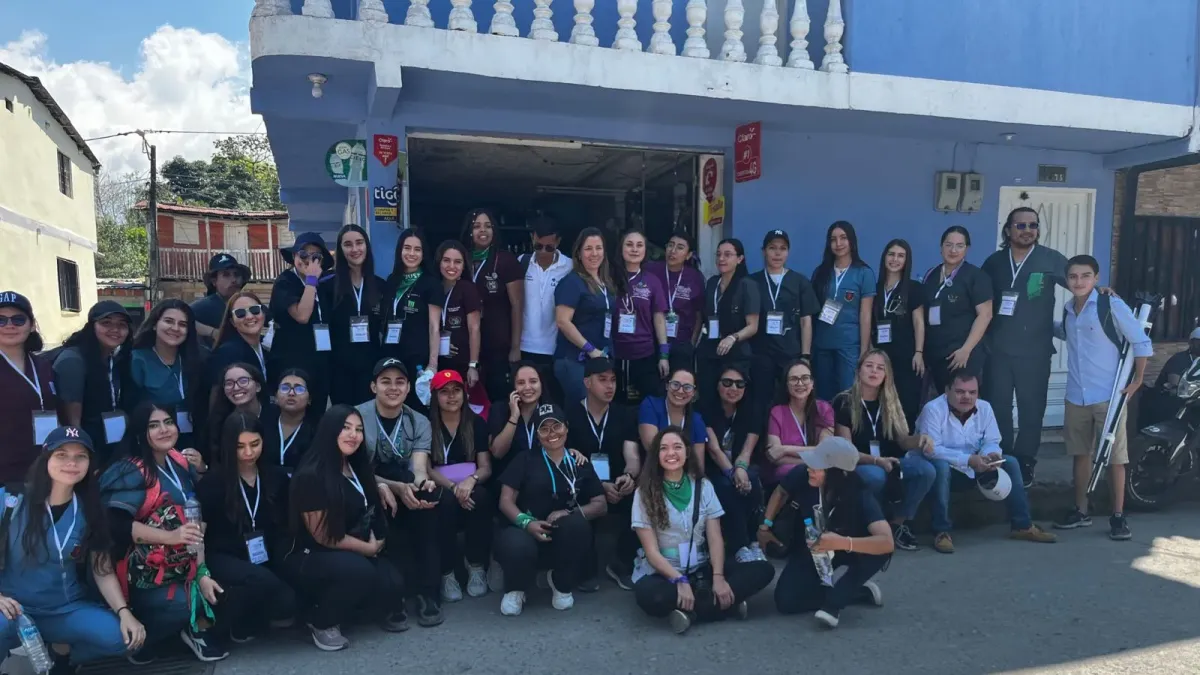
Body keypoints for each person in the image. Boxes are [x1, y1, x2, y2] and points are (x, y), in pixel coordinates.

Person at [0, 426, 146, 673]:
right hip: (12, 607)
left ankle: (61, 651)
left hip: (63, 609)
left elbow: (103, 569)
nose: (71, 463)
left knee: (125, 639)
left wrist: (124, 612)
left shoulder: (89, 509)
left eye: (81, 456)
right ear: (46, 458)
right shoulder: (10, 500)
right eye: (61, 455)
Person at [100, 402, 226, 663]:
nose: (164, 430)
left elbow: (196, 518)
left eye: (168, 422)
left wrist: (201, 571)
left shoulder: (179, 461)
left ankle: (186, 629)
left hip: (185, 559)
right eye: (153, 425)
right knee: (187, 604)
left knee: (220, 594)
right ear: (139, 432)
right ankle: (144, 638)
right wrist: (170, 537)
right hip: (145, 570)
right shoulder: (130, 470)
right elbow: (116, 525)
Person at [281, 406, 407, 651]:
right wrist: (368, 549)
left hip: (351, 546)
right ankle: (321, 622)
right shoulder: (311, 475)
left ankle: (344, 606)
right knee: (360, 573)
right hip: (312, 553)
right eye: (346, 428)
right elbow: (323, 536)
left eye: (359, 429)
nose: (354, 435)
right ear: (330, 431)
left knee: (393, 585)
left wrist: (380, 487)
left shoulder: (355, 465)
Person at [631, 426, 774, 634]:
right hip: (664, 572)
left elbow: (715, 537)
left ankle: (691, 612)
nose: (671, 453)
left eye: (677, 447)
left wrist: (718, 577)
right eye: (664, 448)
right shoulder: (644, 492)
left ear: (687, 452)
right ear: (656, 455)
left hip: (701, 568)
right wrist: (678, 580)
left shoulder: (703, 486)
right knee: (650, 596)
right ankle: (724, 606)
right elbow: (651, 552)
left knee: (763, 569)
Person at [1052, 255, 1152, 541]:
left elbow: (1140, 341)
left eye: (1085, 276)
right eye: (1073, 277)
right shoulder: (1069, 309)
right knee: (1080, 455)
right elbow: (1066, 335)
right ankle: (1080, 511)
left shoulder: (1111, 305)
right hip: (1076, 394)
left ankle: (1118, 516)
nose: (1079, 281)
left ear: (1096, 278)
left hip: (1109, 394)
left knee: (1114, 458)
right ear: (1067, 280)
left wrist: (1137, 381)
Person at [914, 370, 1057, 553]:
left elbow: (992, 441)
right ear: (947, 390)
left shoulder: (985, 408)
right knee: (940, 467)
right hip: (945, 470)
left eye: (972, 392)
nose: (966, 397)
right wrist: (968, 460)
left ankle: (1022, 526)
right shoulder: (933, 410)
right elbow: (931, 450)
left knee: (1011, 462)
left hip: (976, 467)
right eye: (960, 391)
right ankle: (941, 531)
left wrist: (991, 455)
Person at [981, 207, 1072, 484]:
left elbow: (1079, 283)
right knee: (998, 408)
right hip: (998, 350)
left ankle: (1026, 461)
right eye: (1020, 226)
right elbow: (980, 302)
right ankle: (1004, 457)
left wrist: (1099, 291)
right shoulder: (994, 262)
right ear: (1008, 230)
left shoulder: (1050, 259)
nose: (1027, 230)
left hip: (1035, 351)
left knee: (1032, 409)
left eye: (1032, 225)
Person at [353, 358, 442, 627]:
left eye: (400, 382)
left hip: (403, 483)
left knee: (426, 505)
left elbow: (418, 467)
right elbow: (354, 470)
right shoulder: (356, 418)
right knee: (387, 512)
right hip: (366, 486)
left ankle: (428, 593)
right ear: (373, 386)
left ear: (408, 388)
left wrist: (419, 487)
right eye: (385, 382)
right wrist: (390, 487)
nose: (393, 388)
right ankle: (394, 596)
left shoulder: (419, 421)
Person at [495, 403, 607, 616]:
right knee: (515, 543)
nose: (551, 434)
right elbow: (505, 500)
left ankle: (559, 581)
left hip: (560, 536)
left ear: (566, 427)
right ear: (537, 435)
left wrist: (570, 513)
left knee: (578, 526)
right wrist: (527, 523)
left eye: (556, 426)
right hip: (524, 530)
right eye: (544, 429)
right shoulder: (524, 459)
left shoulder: (578, 461)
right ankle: (516, 587)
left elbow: (600, 504)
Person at [767, 437, 891, 629]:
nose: (809, 468)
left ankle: (835, 602)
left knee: (880, 551)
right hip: (815, 547)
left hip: (849, 547)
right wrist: (764, 526)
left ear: (838, 474)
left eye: (817, 466)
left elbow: (886, 542)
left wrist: (842, 542)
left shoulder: (860, 493)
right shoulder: (803, 475)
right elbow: (780, 491)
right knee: (786, 601)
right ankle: (857, 593)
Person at [195, 412, 297, 644]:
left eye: (255, 444)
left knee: (287, 599)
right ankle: (225, 619)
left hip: (263, 553)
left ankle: (252, 616)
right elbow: (198, 534)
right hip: (222, 555)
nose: (248, 453)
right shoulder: (213, 482)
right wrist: (200, 572)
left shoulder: (275, 477)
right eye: (239, 446)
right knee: (265, 583)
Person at [832, 350, 936, 551]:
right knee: (875, 475)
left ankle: (897, 524)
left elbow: (903, 441)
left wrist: (920, 440)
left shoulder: (891, 401)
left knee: (926, 470)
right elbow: (845, 450)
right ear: (858, 370)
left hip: (889, 460)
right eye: (869, 366)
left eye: (881, 368)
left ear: (887, 374)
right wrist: (876, 461)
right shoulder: (844, 401)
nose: (874, 371)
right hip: (859, 463)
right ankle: (871, 524)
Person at [565, 357, 641, 590]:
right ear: (587, 382)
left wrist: (628, 476)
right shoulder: (570, 413)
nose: (610, 386)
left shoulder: (624, 413)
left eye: (613, 380)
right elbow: (566, 459)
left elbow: (632, 455)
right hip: (583, 483)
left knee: (640, 497)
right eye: (602, 380)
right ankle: (582, 567)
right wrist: (599, 485)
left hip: (617, 484)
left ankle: (621, 563)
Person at [427, 369, 493, 602]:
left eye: (456, 390)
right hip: (439, 484)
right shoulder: (426, 423)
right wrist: (453, 488)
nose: (451, 396)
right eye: (444, 392)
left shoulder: (476, 423)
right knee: (443, 503)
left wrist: (470, 481)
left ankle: (476, 565)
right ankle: (447, 572)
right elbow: (425, 468)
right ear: (434, 396)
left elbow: (485, 467)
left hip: (469, 482)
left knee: (481, 498)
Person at [53, 300, 133, 464]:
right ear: (92, 326)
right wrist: (82, 454)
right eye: (106, 323)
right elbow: (73, 422)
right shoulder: (73, 360)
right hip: (87, 450)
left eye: (122, 325)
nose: (115, 330)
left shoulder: (113, 358)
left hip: (110, 443)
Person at [702, 365, 766, 563]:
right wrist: (732, 473)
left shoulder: (752, 409)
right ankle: (740, 545)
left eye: (740, 384)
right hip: (714, 466)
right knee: (726, 488)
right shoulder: (705, 409)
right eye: (727, 383)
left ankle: (754, 542)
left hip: (743, 464)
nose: (733, 388)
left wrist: (741, 470)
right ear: (717, 385)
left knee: (753, 484)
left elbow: (748, 449)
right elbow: (713, 449)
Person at [750, 229, 820, 411]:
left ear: (788, 252)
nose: (777, 253)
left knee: (791, 402)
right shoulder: (751, 282)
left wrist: (805, 356)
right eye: (772, 248)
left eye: (783, 248)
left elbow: (806, 321)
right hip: (761, 353)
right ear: (763, 251)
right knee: (760, 401)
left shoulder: (800, 282)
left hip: (790, 354)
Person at [124, 300, 206, 452]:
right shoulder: (137, 359)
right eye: (169, 321)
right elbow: (130, 407)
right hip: (151, 442)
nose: (175, 328)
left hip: (188, 442)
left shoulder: (195, 360)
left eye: (182, 324)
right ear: (155, 324)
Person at [920, 226, 993, 393]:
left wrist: (966, 349)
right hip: (936, 353)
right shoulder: (931, 274)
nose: (953, 250)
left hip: (961, 355)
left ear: (967, 249)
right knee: (941, 404)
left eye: (959, 246)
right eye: (948, 245)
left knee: (962, 402)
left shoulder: (976, 276)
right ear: (941, 247)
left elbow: (985, 315)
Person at [379, 228, 442, 413]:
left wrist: (433, 364)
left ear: (424, 253)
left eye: (417, 249)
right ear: (400, 250)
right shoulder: (392, 280)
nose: (411, 254)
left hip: (417, 357)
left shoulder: (430, 283)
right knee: (391, 405)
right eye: (407, 248)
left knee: (416, 408)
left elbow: (434, 326)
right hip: (391, 354)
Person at [320, 224, 384, 406]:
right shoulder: (327, 286)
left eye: (359, 243)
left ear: (367, 246)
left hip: (371, 369)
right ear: (340, 249)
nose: (355, 249)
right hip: (339, 370)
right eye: (348, 244)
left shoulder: (380, 286)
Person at [811, 222, 876, 399]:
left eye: (843, 238)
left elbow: (866, 314)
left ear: (852, 241)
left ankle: (846, 428)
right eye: (833, 239)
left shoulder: (864, 273)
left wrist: (864, 350)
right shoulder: (821, 272)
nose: (838, 243)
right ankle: (825, 427)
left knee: (847, 395)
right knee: (822, 396)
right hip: (822, 344)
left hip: (849, 345)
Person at [267, 232, 333, 409]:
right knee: (294, 412)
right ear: (294, 256)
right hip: (292, 362)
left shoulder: (322, 284)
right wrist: (311, 281)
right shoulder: (286, 282)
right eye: (303, 255)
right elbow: (302, 316)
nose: (309, 261)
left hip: (319, 360)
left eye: (316, 257)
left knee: (317, 412)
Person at [0, 291, 59, 487]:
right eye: (1, 320)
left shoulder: (43, 364)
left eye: (18, 319)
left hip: (46, 468)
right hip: (6, 474)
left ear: (31, 325)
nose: (9, 326)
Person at [464, 208, 524, 402]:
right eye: (477, 226)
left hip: (497, 343)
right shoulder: (461, 259)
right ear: (469, 231)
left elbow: (517, 305)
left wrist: (515, 347)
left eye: (488, 226)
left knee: (497, 398)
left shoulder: (505, 260)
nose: (483, 231)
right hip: (466, 342)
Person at [554, 227, 615, 406]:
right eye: (588, 249)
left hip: (597, 360)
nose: (594, 253)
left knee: (596, 410)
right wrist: (590, 349)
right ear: (579, 253)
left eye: (598, 248)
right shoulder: (572, 282)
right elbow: (562, 321)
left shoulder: (605, 282)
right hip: (574, 360)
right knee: (581, 411)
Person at [697, 239, 759, 404]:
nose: (721, 259)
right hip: (710, 349)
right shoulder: (711, 283)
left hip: (736, 353)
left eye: (727, 255)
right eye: (718, 255)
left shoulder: (747, 285)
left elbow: (753, 326)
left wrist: (733, 337)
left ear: (739, 259)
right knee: (708, 398)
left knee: (733, 399)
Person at [518, 216, 573, 401]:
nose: (543, 252)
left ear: (558, 241)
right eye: (538, 246)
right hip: (524, 346)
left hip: (554, 349)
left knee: (552, 401)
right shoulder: (522, 263)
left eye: (549, 247)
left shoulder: (570, 267)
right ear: (532, 238)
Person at [612, 229, 669, 404]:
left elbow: (659, 318)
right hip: (613, 354)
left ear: (645, 250)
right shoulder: (608, 277)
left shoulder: (652, 281)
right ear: (621, 249)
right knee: (616, 404)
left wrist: (664, 355)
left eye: (639, 245)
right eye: (629, 245)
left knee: (649, 404)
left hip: (645, 353)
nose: (634, 249)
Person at [872, 239, 925, 426]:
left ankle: (904, 448)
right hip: (880, 357)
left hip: (906, 355)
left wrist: (919, 352)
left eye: (900, 256)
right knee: (880, 402)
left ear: (906, 261)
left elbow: (919, 322)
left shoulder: (913, 288)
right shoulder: (875, 288)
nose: (895, 259)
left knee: (906, 403)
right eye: (891, 254)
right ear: (884, 257)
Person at [765, 359, 835, 484]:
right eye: (793, 379)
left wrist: (785, 449)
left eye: (805, 378)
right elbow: (774, 456)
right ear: (786, 385)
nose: (800, 383)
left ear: (812, 383)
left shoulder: (824, 409)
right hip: (788, 476)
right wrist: (811, 462)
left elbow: (825, 451)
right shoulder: (777, 412)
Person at [646, 231, 706, 375]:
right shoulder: (651, 270)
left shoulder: (694, 277)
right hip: (652, 341)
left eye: (680, 247)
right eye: (670, 245)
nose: (673, 251)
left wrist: (691, 343)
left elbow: (698, 314)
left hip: (682, 342)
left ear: (689, 255)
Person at [432, 240, 482, 386]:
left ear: (464, 265)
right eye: (446, 260)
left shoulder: (468, 289)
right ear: (439, 262)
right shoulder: (432, 287)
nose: (452, 266)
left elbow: (475, 329)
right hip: (437, 363)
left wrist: (473, 366)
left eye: (457, 262)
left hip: (461, 364)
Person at [208, 291, 269, 407]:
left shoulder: (266, 345)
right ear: (232, 322)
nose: (250, 316)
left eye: (255, 310)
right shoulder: (227, 353)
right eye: (240, 313)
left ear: (263, 313)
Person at [639, 367, 708, 468]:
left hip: (684, 477)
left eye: (687, 387)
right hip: (654, 473)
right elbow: (652, 449)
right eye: (675, 385)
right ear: (667, 385)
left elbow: (698, 465)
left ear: (693, 392)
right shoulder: (650, 405)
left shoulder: (697, 420)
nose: (680, 391)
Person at [260, 369, 319, 476]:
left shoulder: (319, 430)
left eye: (299, 389)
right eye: (285, 388)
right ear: (276, 396)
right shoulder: (262, 423)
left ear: (309, 399)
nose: (291, 393)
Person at [205, 363, 265, 462]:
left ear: (258, 386)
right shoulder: (218, 421)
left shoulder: (276, 416)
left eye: (243, 381)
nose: (236, 388)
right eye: (229, 383)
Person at [191, 253, 250, 348]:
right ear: (214, 281)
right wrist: (213, 332)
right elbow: (182, 318)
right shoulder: (205, 306)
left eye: (236, 274)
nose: (234, 280)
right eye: (226, 275)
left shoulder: (249, 304)